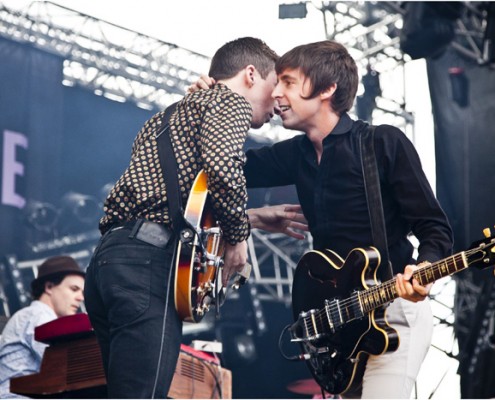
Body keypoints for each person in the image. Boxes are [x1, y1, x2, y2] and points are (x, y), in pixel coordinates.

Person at [191, 40, 453, 399]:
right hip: (343, 323)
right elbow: (222, 167)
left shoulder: (382, 143)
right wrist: (209, 105)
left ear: (327, 89)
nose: (276, 93)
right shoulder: (295, 154)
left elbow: (434, 228)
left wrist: (422, 270)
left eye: (287, 81)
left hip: (394, 313)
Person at [83, 37, 308, 399]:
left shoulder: (167, 115)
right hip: (148, 266)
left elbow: (177, 205)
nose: (278, 98)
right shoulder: (229, 102)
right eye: (275, 83)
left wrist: (250, 217)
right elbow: (222, 168)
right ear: (251, 74)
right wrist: (238, 240)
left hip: (110, 261)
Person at [0, 256, 85, 398]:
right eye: (74, 289)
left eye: (82, 292)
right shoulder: (37, 315)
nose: (80, 297)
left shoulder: (35, 316)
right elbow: (65, 366)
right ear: (49, 287)